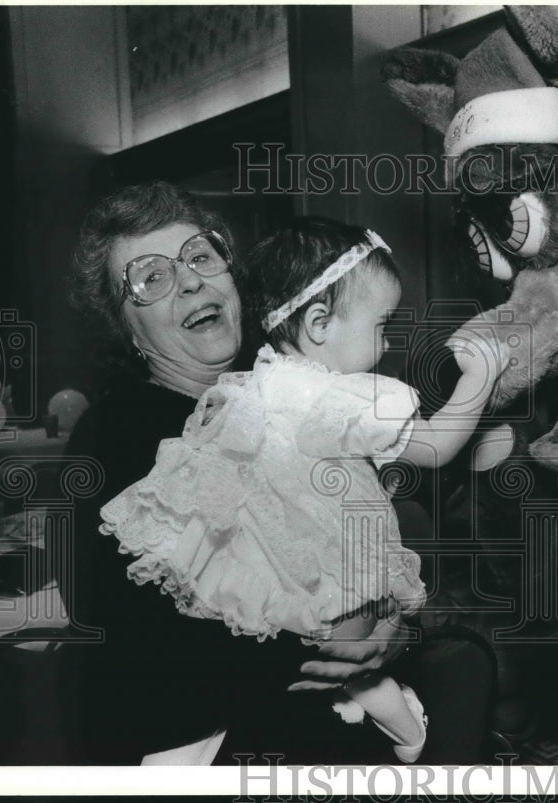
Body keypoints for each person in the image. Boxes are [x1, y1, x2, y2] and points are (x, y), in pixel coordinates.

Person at [58, 182, 496, 765]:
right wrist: (333, 645)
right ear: (127, 329)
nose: (189, 280)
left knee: (464, 663)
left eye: (200, 255)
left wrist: (388, 626)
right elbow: (128, 632)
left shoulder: (288, 386)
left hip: (324, 682)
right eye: (150, 278)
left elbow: (348, 541)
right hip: (208, 728)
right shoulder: (110, 437)